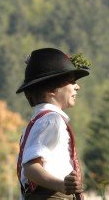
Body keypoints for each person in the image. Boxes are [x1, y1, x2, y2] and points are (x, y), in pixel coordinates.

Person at [15, 48, 90, 200]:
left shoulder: (38, 122)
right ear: (51, 89)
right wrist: (62, 185)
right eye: (71, 81)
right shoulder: (51, 121)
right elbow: (30, 168)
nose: (77, 86)